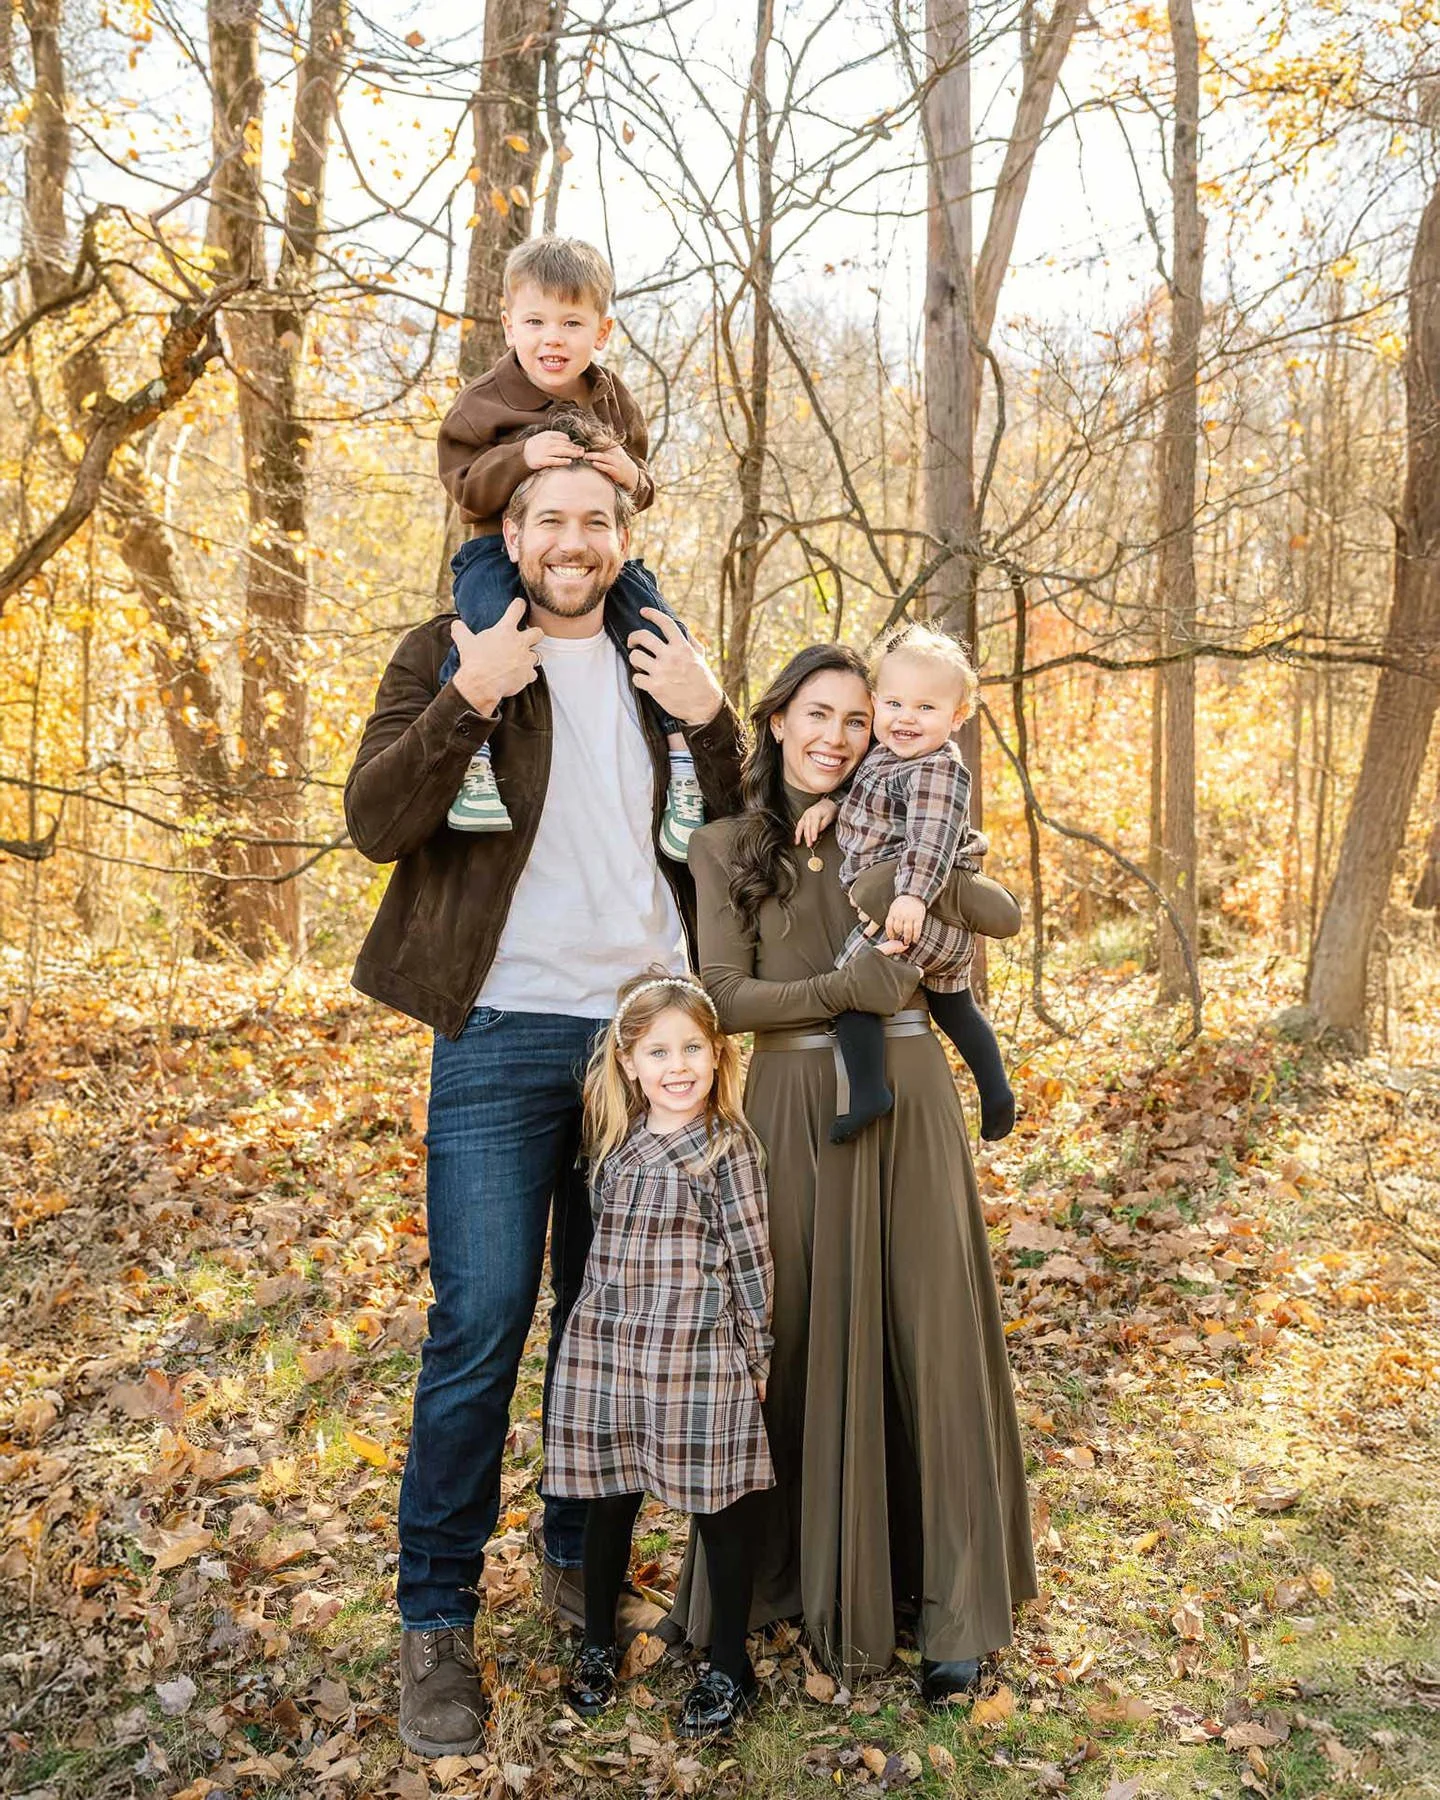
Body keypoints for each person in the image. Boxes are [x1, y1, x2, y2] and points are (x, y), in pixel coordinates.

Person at [343, 437, 744, 1758]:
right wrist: (467, 695)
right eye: (547, 522)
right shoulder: (445, 649)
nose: (573, 542)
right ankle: (436, 1623)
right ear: (509, 536)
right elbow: (375, 822)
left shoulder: (658, 661)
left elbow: (741, 843)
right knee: (481, 1325)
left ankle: (576, 1572)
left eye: (594, 521)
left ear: (620, 532)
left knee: (609, 1319)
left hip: (641, 1044)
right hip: (503, 1031)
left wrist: (715, 717)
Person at [666, 644, 1037, 1703]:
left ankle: (954, 1607)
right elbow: (725, 998)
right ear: (777, 721)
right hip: (790, 1111)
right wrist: (842, 991)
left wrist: (937, 897)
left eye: (857, 721)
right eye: (816, 716)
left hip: (912, 1094)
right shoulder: (727, 843)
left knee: (932, 1332)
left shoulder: (906, 815)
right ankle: (786, 1581)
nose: (836, 737)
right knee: (792, 1333)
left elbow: (987, 915)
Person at [546, 971, 774, 1738]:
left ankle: (729, 1666)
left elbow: (752, 1259)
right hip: (613, 1347)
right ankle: (597, 1644)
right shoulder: (614, 1143)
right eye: (657, 1051)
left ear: (717, 1055)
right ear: (628, 1061)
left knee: (721, 1503)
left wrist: (758, 1349)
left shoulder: (728, 1150)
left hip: (698, 1352)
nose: (677, 1066)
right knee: (609, 1499)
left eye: (691, 1049)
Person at [436, 234, 701, 858]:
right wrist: (518, 456)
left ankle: (682, 761)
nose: (552, 338)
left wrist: (627, 472)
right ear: (509, 324)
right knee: (482, 627)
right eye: (535, 321)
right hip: (497, 553)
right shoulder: (485, 402)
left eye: (571, 323)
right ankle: (472, 756)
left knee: (658, 625)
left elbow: (642, 480)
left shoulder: (611, 399)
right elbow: (464, 487)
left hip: (596, 559)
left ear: (601, 330)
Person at [794, 623, 1016, 1144]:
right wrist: (832, 803)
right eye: (893, 704)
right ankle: (997, 1090)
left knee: (853, 984)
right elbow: (872, 801)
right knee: (953, 1005)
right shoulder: (886, 756)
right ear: (876, 703)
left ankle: (869, 1091)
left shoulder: (938, 768)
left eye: (926, 708)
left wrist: (913, 896)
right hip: (915, 906)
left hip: (911, 907)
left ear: (957, 717)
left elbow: (931, 838)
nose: (906, 719)